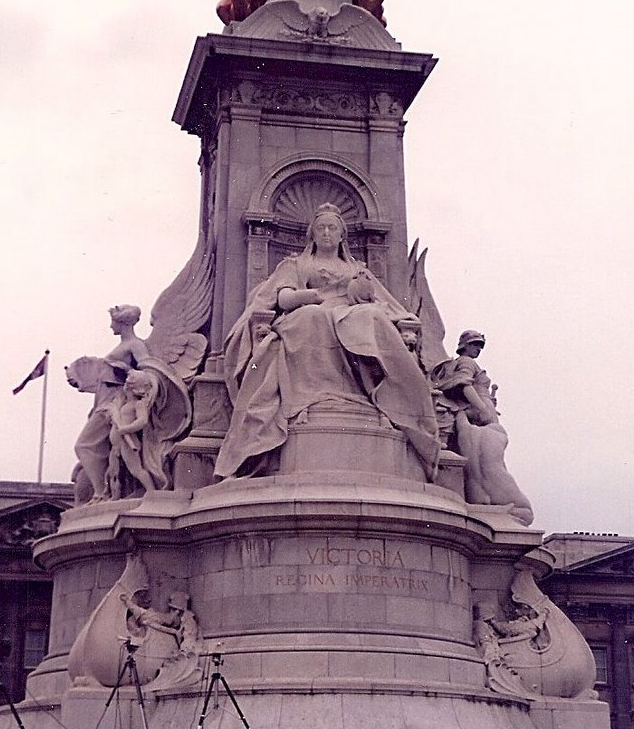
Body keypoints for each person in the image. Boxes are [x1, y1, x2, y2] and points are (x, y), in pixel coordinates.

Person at [215, 203, 440, 480]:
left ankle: (375, 400)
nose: (326, 233)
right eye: (321, 228)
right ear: (312, 234)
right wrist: (316, 296)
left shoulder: (357, 269)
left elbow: (383, 302)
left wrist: (380, 304)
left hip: (349, 313)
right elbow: (283, 298)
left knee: (370, 318)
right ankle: (308, 400)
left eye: (332, 228)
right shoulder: (296, 265)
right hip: (308, 312)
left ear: (342, 235)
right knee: (311, 318)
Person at [431, 332, 534, 525]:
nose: (478, 349)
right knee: (490, 457)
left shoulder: (462, 363)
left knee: (480, 458)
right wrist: (483, 409)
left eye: (480, 346)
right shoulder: (467, 362)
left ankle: (484, 497)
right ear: (464, 345)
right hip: (482, 415)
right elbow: (464, 385)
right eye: (475, 345)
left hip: (473, 417)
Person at [67, 305, 151, 503]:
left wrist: (122, 369)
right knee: (93, 446)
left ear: (122, 322)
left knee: (84, 445)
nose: (110, 325)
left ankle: (100, 492)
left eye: (112, 321)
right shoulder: (123, 345)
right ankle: (101, 491)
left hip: (114, 402)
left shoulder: (135, 344)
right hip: (104, 399)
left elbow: (148, 370)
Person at [104, 371, 161, 498]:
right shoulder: (124, 404)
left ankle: (152, 492)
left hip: (129, 443)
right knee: (113, 472)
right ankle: (115, 495)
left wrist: (125, 429)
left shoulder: (138, 404)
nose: (124, 386)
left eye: (127, 384)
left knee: (136, 470)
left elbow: (142, 421)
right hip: (117, 444)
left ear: (132, 387)